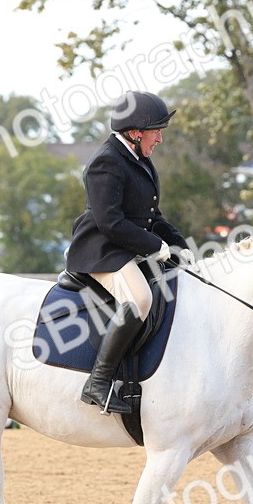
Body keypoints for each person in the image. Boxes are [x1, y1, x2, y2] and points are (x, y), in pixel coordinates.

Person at [66, 91, 194, 415]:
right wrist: (155, 247)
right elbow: (111, 222)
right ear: (136, 132)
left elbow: (153, 216)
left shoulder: (140, 160)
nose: (161, 139)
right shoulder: (106, 162)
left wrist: (181, 247)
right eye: (157, 131)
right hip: (102, 250)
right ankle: (98, 381)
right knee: (141, 299)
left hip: (126, 247)